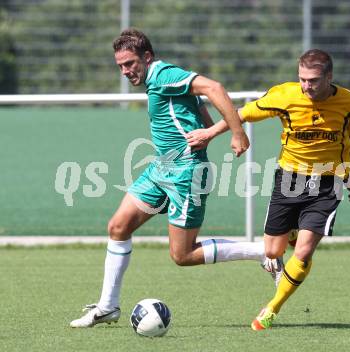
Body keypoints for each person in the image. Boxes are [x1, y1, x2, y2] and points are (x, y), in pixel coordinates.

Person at [70, 28, 282, 328]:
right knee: (118, 226)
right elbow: (197, 105)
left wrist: (237, 132)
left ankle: (263, 252)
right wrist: (208, 131)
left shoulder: (163, 75)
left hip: (186, 173)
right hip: (161, 168)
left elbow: (215, 88)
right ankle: (107, 307)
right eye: (120, 66)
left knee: (182, 255)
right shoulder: (158, 80)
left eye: (130, 63)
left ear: (147, 57)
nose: (126, 71)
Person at [186, 49, 350, 330]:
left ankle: (272, 308)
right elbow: (240, 114)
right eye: (302, 79)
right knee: (271, 252)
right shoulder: (285, 96)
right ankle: (290, 234)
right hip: (289, 182)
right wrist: (209, 133)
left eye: (314, 80)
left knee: (303, 254)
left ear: (329, 76)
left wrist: (348, 176)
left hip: (327, 184)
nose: (307, 86)